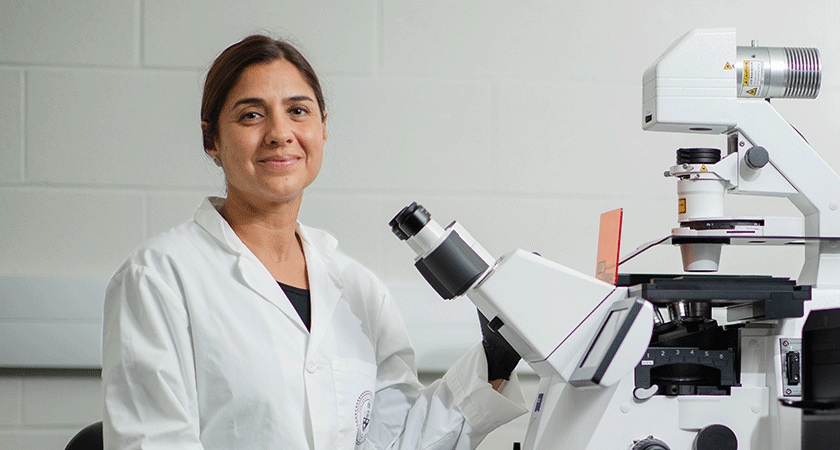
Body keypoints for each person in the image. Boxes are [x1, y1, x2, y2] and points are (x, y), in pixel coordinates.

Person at [101, 35, 526, 449]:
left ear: (323, 127)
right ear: (211, 139)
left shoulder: (359, 290)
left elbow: (397, 440)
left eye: (298, 111)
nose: (279, 133)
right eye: (251, 115)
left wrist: (496, 359)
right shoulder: (159, 278)